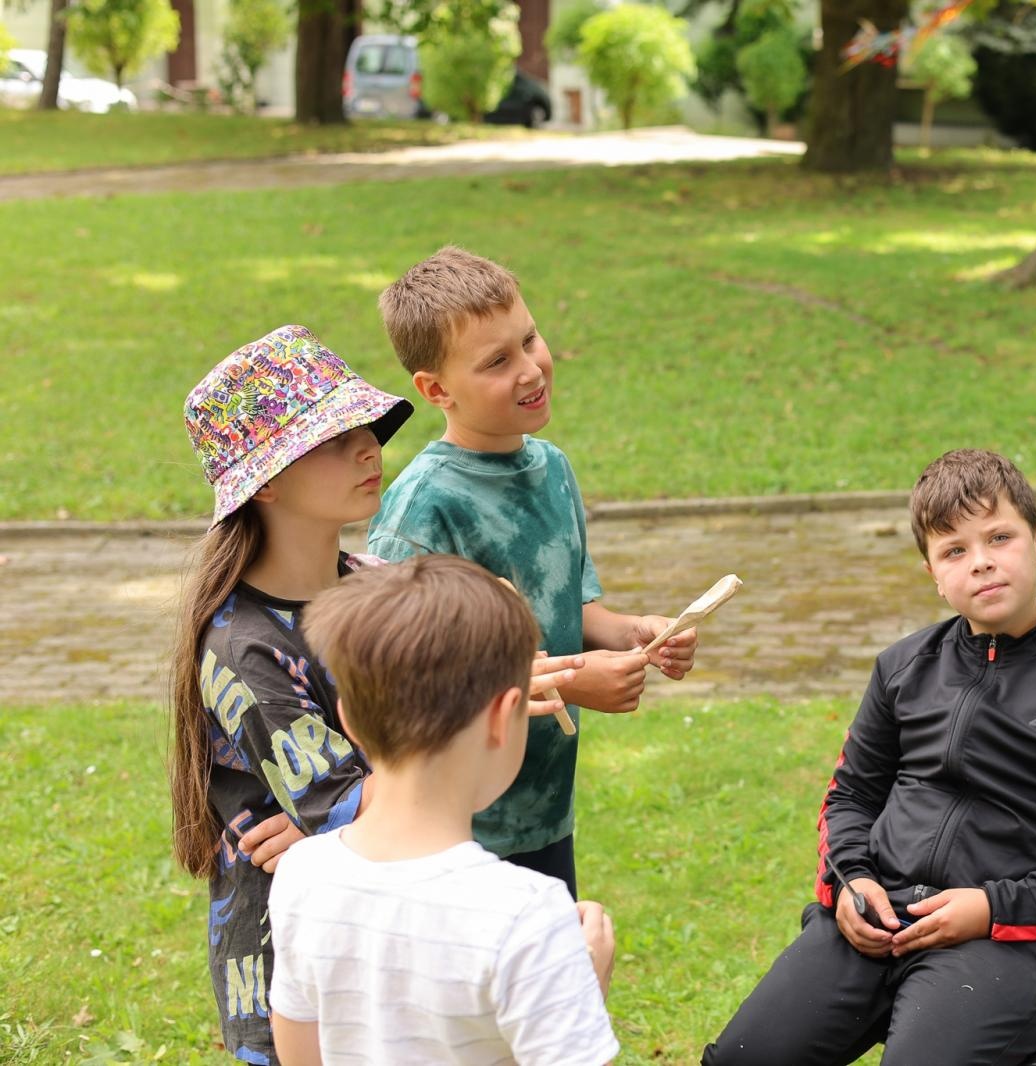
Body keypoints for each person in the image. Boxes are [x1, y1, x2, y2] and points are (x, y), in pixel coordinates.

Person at [703, 449, 1036, 1066]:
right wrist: (850, 884)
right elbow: (851, 797)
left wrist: (991, 908)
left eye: (1000, 537)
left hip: (999, 945)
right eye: (955, 551)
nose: (983, 562)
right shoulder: (902, 667)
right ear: (933, 573)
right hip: (874, 919)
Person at [366, 247, 699, 900]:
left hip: (543, 809)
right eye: (497, 362)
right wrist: (575, 683)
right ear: (436, 390)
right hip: (453, 827)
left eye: (529, 339)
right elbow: (407, 678)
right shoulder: (422, 509)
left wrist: (633, 632)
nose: (530, 369)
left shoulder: (552, 469)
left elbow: (568, 607)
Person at [170, 324, 414, 1065]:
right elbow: (366, 806)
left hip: (384, 926)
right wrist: (349, 809)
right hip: (296, 970)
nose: (368, 447)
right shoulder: (247, 649)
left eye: (363, 428)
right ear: (265, 481)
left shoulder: (371, 581)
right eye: (333, 439)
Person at [269, 554, 619, 1065]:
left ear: (349, 720)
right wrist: (585, 985)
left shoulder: (303, 873)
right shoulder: (528, 916)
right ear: (503, 717)